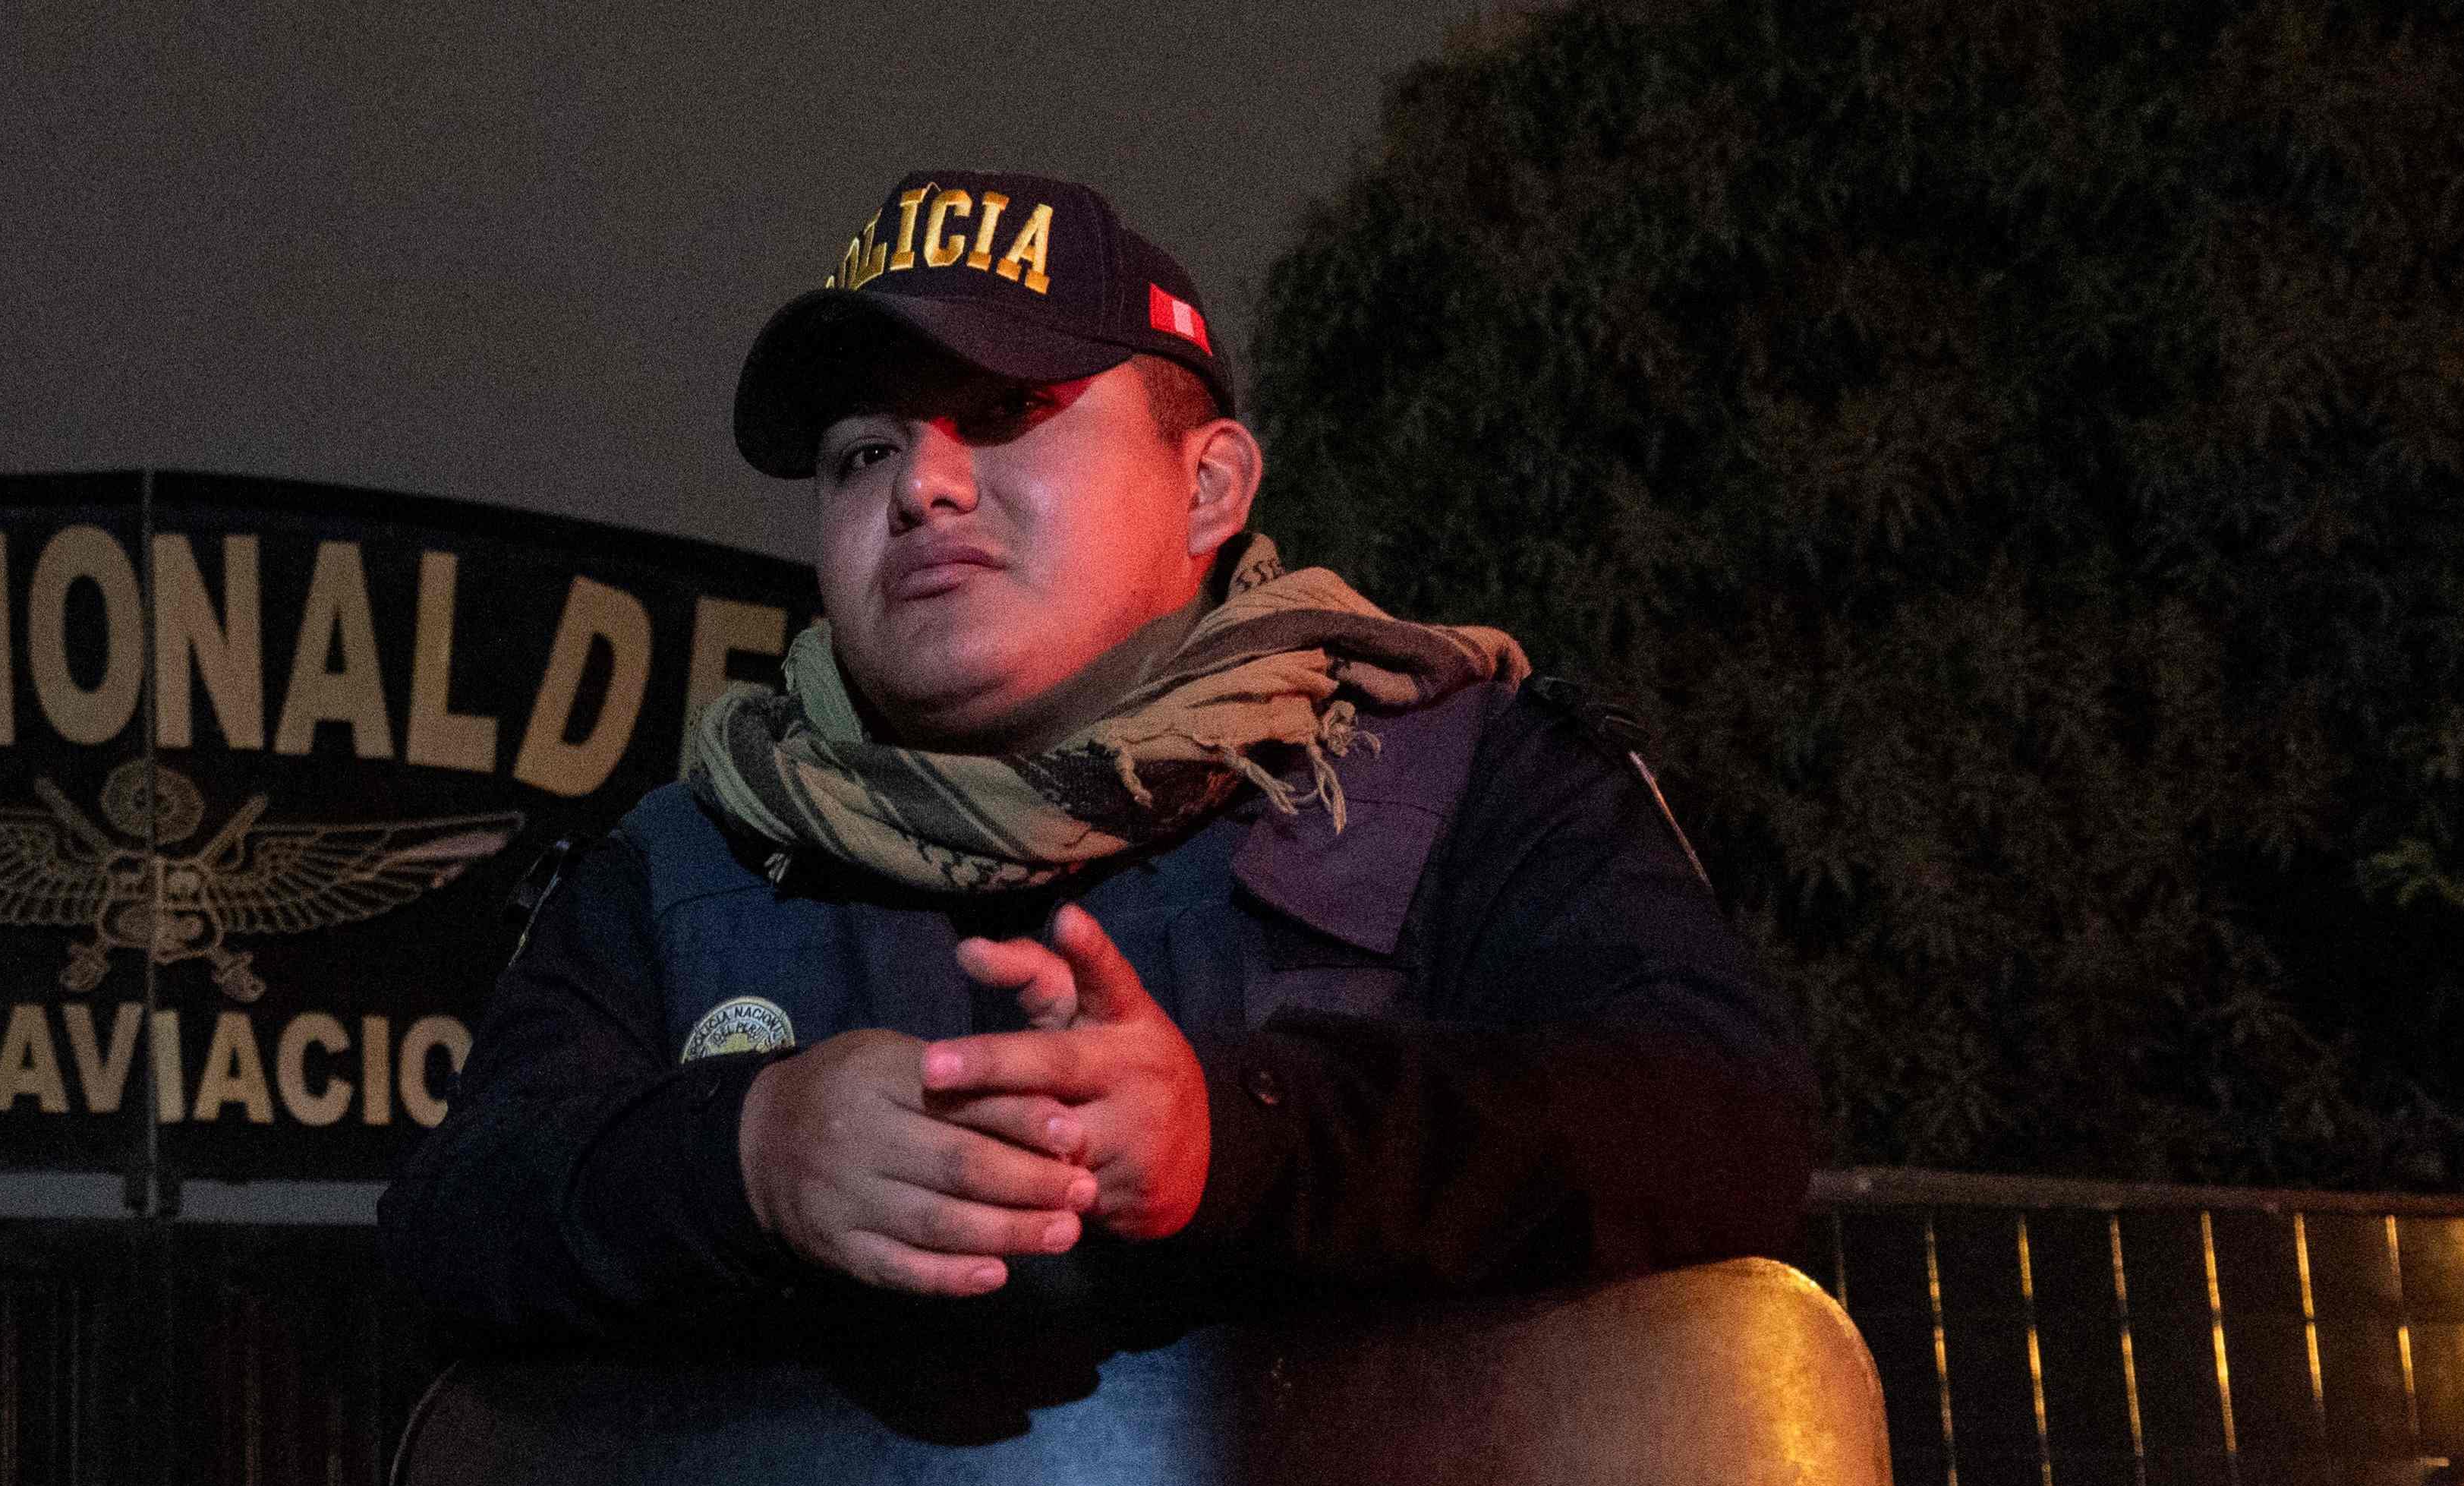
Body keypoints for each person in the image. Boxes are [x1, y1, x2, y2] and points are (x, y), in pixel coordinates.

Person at [381, 169, 1814, 1339]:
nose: (923, 483)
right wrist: (743, 1153)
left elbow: (1715, 1128)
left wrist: (1238, 1134)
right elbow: (445, 1237)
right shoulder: (681, 866)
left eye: (1005, 414)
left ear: (1209, 490)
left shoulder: (1462, 778)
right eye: (859, 456)